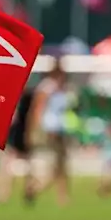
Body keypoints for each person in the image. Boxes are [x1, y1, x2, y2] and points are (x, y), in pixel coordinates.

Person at [0, 84, 36, 205]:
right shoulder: (28, 96)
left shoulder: (19, 96)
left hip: (17, 133)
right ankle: (26, 191)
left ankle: (5, 193)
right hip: (21, 133)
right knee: (24, 163)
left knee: (8, 164)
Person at [33, 65, 71, 205]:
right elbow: (38, 109)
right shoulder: (47, 88)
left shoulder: (63, 88)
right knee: (55, 165)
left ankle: (62, 196)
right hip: (50, 130)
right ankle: (37, 188)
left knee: (62, 164)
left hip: (61, 129)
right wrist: (37, 129)